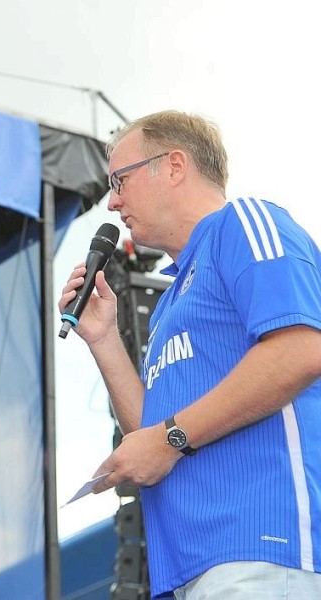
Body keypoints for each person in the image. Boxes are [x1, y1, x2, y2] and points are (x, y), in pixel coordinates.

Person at [59, 111, 321, 598]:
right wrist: (104, 339)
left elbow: (302, 349)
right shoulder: (169, 305)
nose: (112, 201)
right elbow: (151, 437)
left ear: (175, 165)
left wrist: (170, 437)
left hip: (264, 547)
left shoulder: (243, 222)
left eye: (121, 180)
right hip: (192, 566)